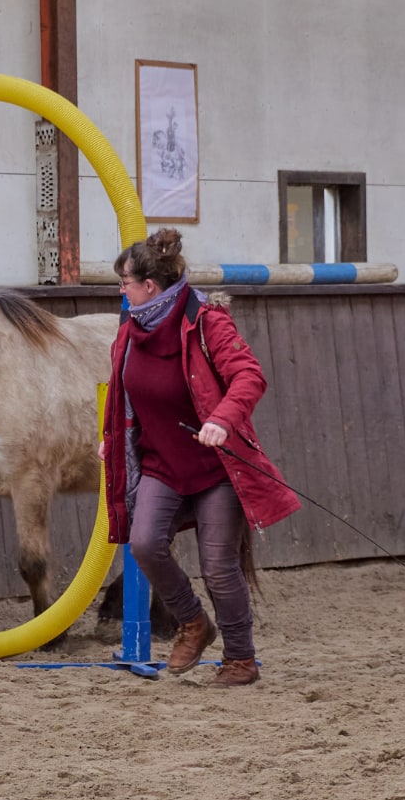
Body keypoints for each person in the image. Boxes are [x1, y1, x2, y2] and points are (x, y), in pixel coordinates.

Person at [98, 228, 300, 687]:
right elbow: (124, 395)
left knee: (218, 566)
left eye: (125, 282)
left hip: (217, 467)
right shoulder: (128, 333)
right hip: (160, 463)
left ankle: (241, 659)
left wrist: (223, 420)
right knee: (145, 543)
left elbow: (249, 375)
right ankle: (193, 623)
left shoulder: (207, 320)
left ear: (149, 286)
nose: (121, 291)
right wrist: (113, 438)